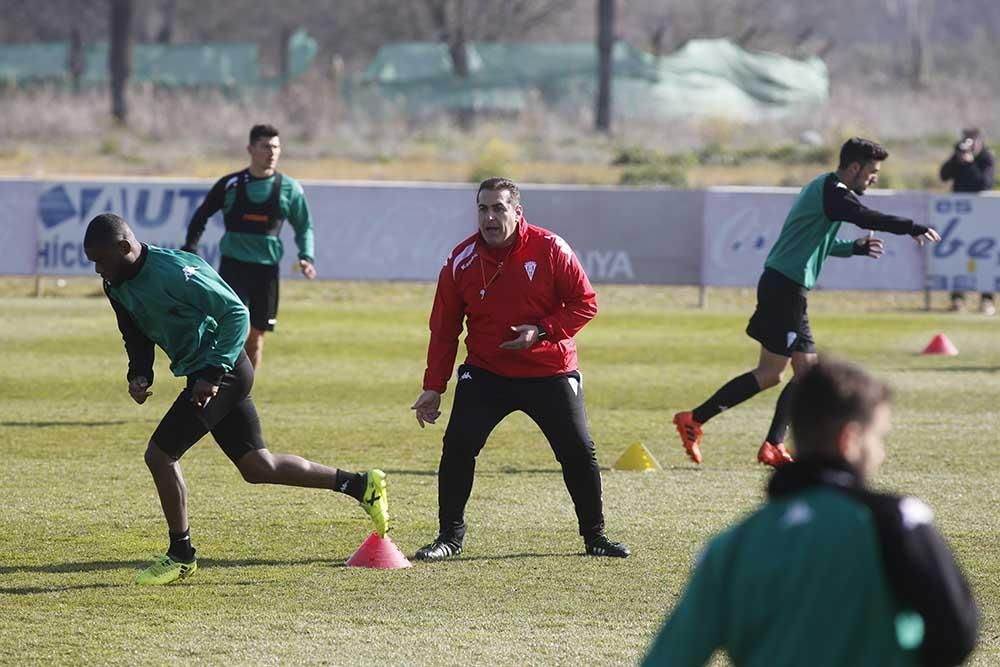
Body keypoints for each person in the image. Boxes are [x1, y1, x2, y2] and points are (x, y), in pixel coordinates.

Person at [85, 213, 388, 585]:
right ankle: (360, 484)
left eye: (101, 260)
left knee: (160, 454)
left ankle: (181, 555)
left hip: (223, 372)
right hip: (207, 375)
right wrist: (140, 373)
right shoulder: (116, 284)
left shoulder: (177, 271)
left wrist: (212, 374)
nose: (98, 269)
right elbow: (134, 331)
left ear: (124, 247)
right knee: (259, 467)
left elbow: (236, 313)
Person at [644, 358, 979, 667]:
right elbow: (958, 635)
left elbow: (671, 657)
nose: (882, 454)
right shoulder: (899, 522)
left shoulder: (733, 544)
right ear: (850, 440)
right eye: (879, 438)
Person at [673, 137, 941, 468]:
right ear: (854, 167)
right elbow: (865, 217)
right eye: (872, 171)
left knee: (806, 373)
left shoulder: (827, 190)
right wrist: (911, 227)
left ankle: (772, 444)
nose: (874, 178)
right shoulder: (834, 192)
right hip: (784, 289)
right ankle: (695, 419)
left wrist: (851, 248)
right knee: (771, 373)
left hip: (789, 288)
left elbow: (813, 240)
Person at [409, 177, 629, 560]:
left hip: (550, 371)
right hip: (487, 372)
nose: (490, 217)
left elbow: (585, 303)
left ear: (517, 211)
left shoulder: (549, 248)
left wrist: (542, 331)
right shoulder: (461, 260)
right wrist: (434, 386)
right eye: (483, 209)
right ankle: (449, 538)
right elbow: (443, 328)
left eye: (498, 208)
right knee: (458, 447)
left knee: (579, 452)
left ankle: (595, 537)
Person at [182, 124, 317, 369]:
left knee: (255, 338)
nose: (272, 152)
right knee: (234, 328)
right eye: (265, 146)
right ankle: (220, 383)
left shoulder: (290, 189)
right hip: (234, 267)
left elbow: (304, 226)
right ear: (250, 148)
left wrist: (306, 256)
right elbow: (201, 216)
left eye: (276, 146)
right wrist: (190, 250)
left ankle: (243, 392)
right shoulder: (230, 184)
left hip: (266, 272)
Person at [939, 127, 996, 314]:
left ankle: (987, 300)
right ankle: (957, 299)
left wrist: (970, 164)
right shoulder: (959, 155)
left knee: (985, 257)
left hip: (982, 217)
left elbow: (984, 184)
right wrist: (957, 159)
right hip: (959, 217)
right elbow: (943, 175)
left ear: (980, 142)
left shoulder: (986, 158)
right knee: (958, 257)